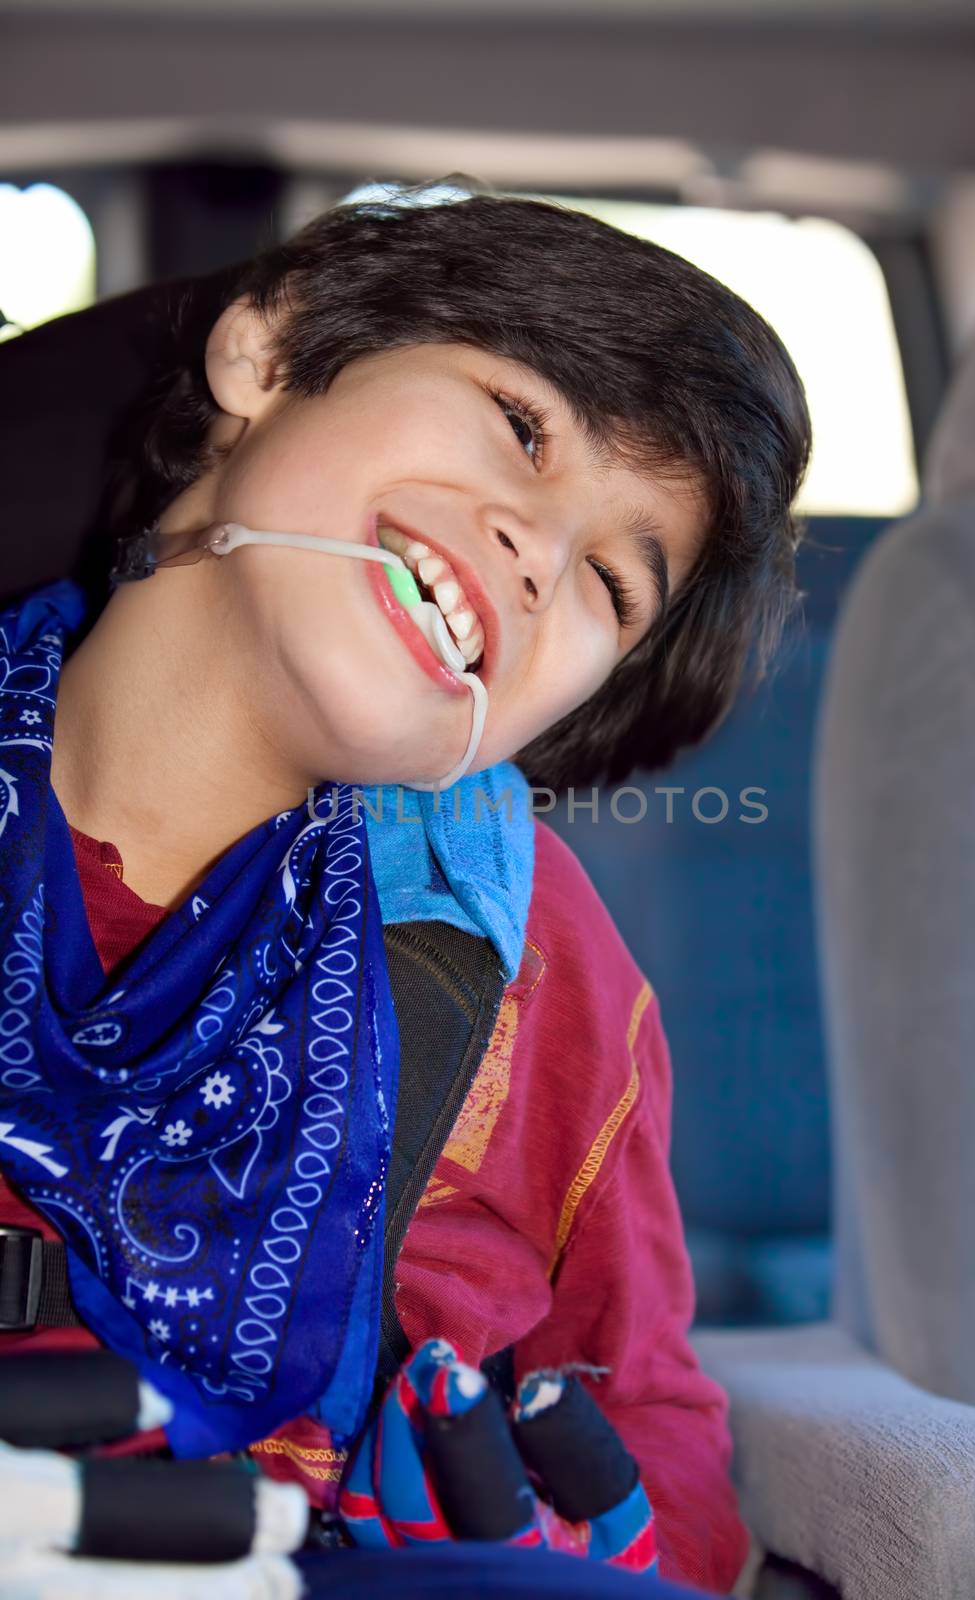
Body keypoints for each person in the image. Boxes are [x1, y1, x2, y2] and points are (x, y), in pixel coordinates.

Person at [0, 188, 810, 1594]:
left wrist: (585, 1549)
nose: (541, 552)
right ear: (271, 350)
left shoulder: (532, 964)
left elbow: (656, 1431)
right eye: (520, 423)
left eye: (613, 586)